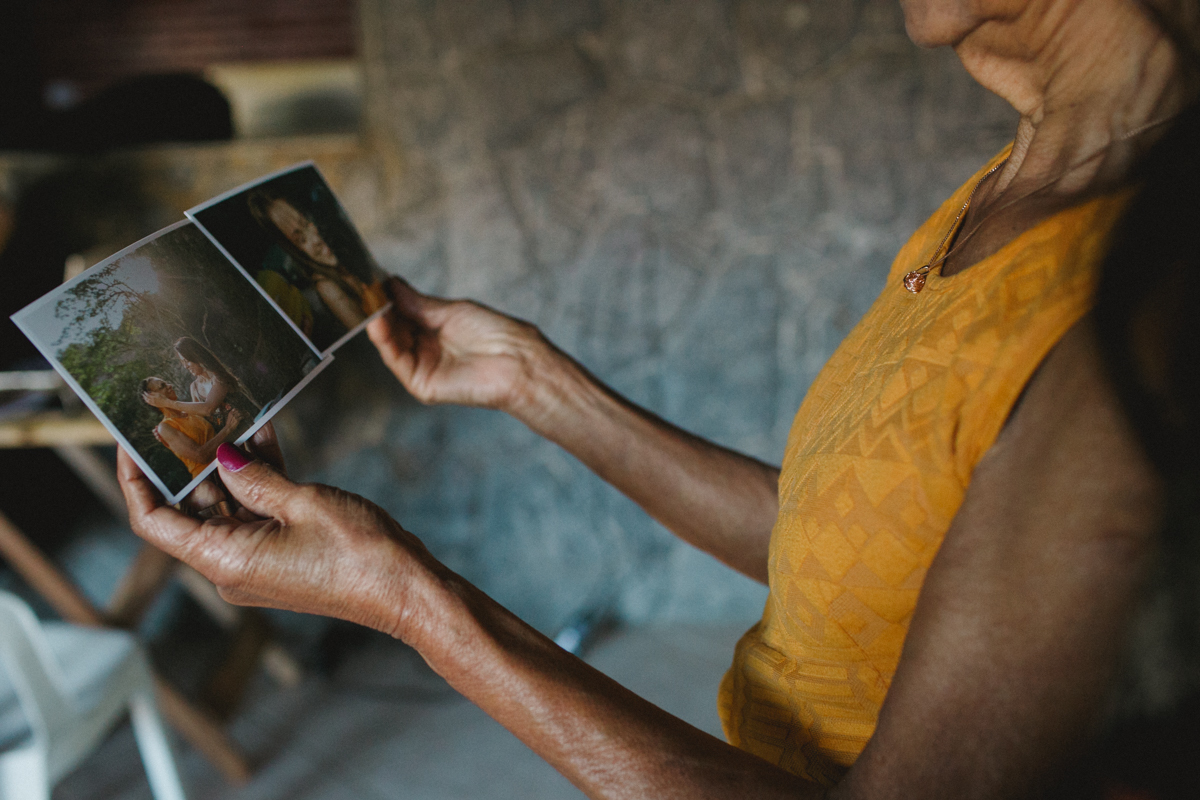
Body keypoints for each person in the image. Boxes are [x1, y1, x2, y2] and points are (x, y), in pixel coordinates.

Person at [117, 0, 1199, 796]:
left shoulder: (1144, 297)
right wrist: (534, 380)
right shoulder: (1007, 189)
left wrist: (408, 598)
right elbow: (835, 541)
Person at [247, 189, 388, 335]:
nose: (315, 239)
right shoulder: (327, 287)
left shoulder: (345, 247)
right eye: (301, 240)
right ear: (297, 251)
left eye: (307, 223)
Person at [141, 336, 259, 430]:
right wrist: (167, 429)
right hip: (231, 443)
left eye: (187, 361)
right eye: (182, 362)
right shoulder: (195, 388)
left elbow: (208, 408)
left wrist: (167, 402)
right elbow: (198, 419)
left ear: (196, 357)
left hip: (253, 430)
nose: (185, 366)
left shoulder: (219, 377)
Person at [139, 376, 244, 480]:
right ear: (152, 398)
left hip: (227, 461)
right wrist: (228, 428)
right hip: (210, 477)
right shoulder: (165, 427)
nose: (170, 386)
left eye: (167, 383)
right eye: (162, 386)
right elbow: (201, 456)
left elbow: (208, 412)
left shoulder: (189, 411)